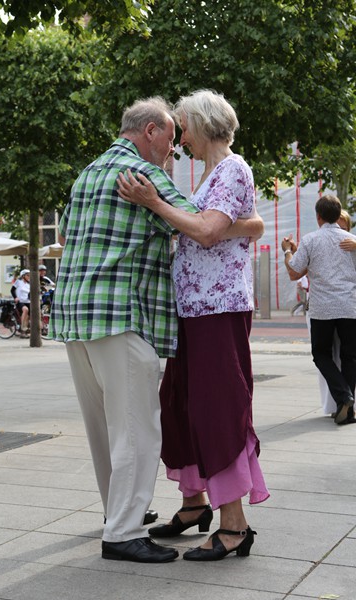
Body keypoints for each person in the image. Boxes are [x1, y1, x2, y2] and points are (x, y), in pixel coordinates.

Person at [50, 95, 264, 563]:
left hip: (83, 314)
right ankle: (126, 527)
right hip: (126, 314)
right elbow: (202, 224)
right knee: (141, 426)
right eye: (171, 133)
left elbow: (67, 232)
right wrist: (252, 225)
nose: (176, 144)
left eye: (183, 131)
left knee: (120, 425)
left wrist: (249, 225)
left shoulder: (89, 172)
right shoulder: (145, 175)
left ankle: (153, 514)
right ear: (150, 132)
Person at [117, 89, 269, 562]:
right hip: (193, 309)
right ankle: (194, 503)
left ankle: (234, 526)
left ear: (202, 125)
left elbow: (205, 231)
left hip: (217, 308)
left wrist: (154, 202)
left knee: (217, 410)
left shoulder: (232, 168)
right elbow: (239, 223)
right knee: (179, 406)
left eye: (183, 128)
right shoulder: (208, 174)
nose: (180, 138)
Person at [282, 195, 356, 425]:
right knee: (350, 357)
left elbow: (294, 271)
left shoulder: (311, 239)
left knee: (321, 354)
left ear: (318, 216)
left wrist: (288, 251)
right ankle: (348, 409)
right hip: (349, 305)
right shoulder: (352, 240)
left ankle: (344, 396)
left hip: (322, 307)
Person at [11, 269, 30, 338]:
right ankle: (22, 329)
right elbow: (12, 290)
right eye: (27, 275)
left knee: (34, 313)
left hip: (28, 301)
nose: (29, 277)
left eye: (29, 275)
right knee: (25, 309)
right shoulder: (18, 282)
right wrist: (15, 297)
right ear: (23, 276)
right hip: (20, 301)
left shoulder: (29, 284)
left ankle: (28, 329)